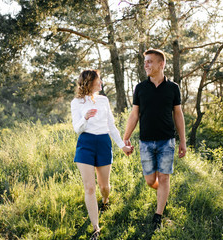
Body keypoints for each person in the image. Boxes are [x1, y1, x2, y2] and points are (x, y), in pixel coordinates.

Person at [123, 49, 186, 229]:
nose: (146, 65)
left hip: (167, 140)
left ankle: (158, 216)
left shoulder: (173, 88)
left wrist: (183, 141)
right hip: (146, 142)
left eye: (150, 61)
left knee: (164, 178)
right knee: (151, 180)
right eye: (145, 62)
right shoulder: (140, 88)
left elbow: (178, 115)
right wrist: (125, 138)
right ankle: (163, 194)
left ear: (161, 64)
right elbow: (134, 115)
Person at [71, 69, 133, 239]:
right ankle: (95, 228)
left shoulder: (104, 100)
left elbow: (111, 126)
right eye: (98, 80)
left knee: (104, 187)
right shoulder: (76, 103)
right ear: (90, 82)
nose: (101, 83)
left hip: (104, 143)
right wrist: (85, 118)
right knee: (90, 187)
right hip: (86, 145)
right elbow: (77, 128)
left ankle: (105, 200)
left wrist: (122, 146)